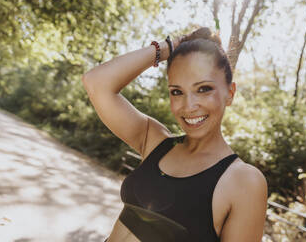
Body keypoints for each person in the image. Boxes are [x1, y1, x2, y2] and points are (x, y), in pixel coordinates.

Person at [82, 27, 268, 242]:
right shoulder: (155, 141)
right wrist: (171, 47)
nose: (188, 106)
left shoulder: (244, 181)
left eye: (204, 89)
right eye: (177, 92)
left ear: (230, 93)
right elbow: (96, 82)